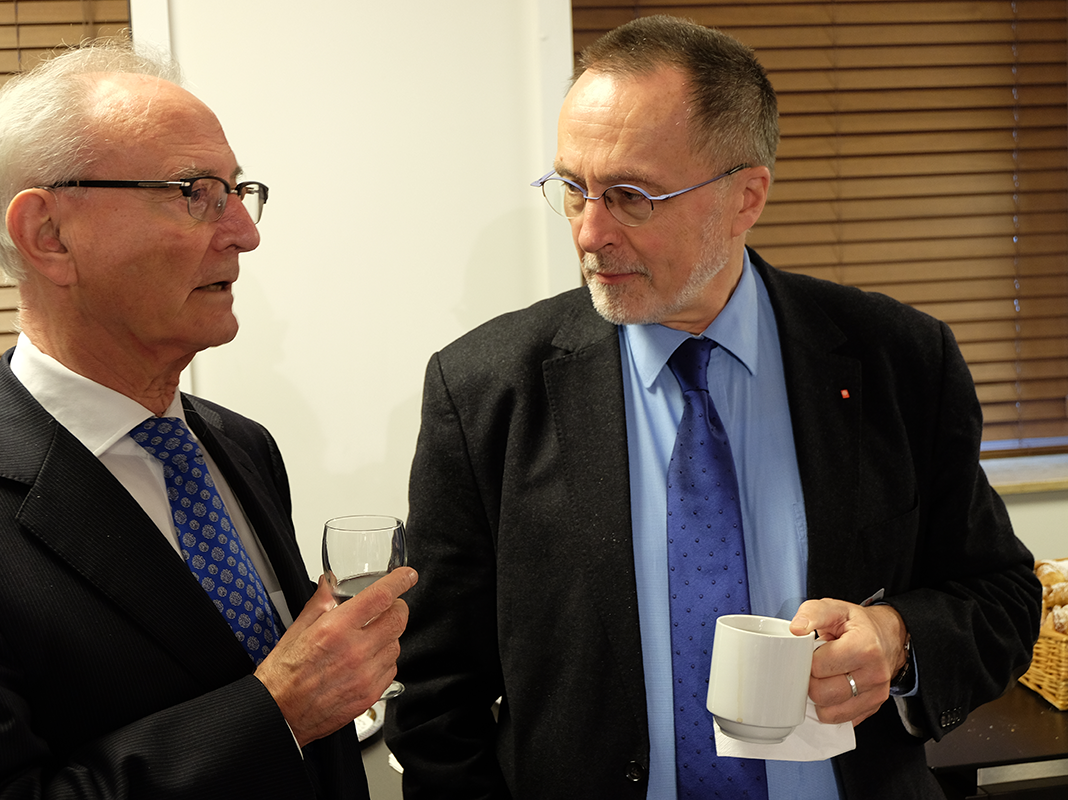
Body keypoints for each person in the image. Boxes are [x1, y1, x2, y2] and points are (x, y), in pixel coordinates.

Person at [385, 15, 1040, 800]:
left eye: (631, 196)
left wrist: (897, 639)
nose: (590, 233)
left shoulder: (897, 359)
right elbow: (434, 699)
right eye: (572, 189)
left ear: (746, 197)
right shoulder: (485, 390)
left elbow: (1000, 595)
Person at [0, 40, 416, 799]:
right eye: (195, 192)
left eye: (236, 191)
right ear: (48, 235)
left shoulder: (239, 444)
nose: (244, 234)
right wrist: (276, 711)